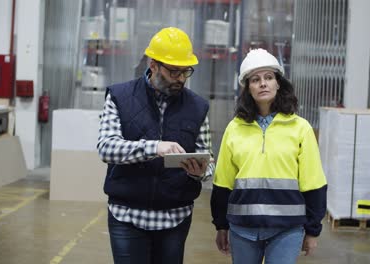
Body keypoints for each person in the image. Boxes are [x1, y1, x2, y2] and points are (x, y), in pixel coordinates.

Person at [97, 27, 214, 264]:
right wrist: (153, 147)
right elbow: (106, 147)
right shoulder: (119, 96)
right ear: (153, 65)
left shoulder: (197, 106)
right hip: (127, 215)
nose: (180, 78)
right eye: (173, 71)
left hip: (175, 216)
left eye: (185, 72)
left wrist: (201, 171)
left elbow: (207, 157)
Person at [210, 48, 327, 264]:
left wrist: (312, 230)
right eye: (255, 79)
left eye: (269, 77)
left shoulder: (301, 128)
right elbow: (222, 183)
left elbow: (314, 182)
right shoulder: (234, 128)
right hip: (242, 229)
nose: (263, 83)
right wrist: (221, 226)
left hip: (287, 230)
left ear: (278, 83)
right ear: (248, 88)